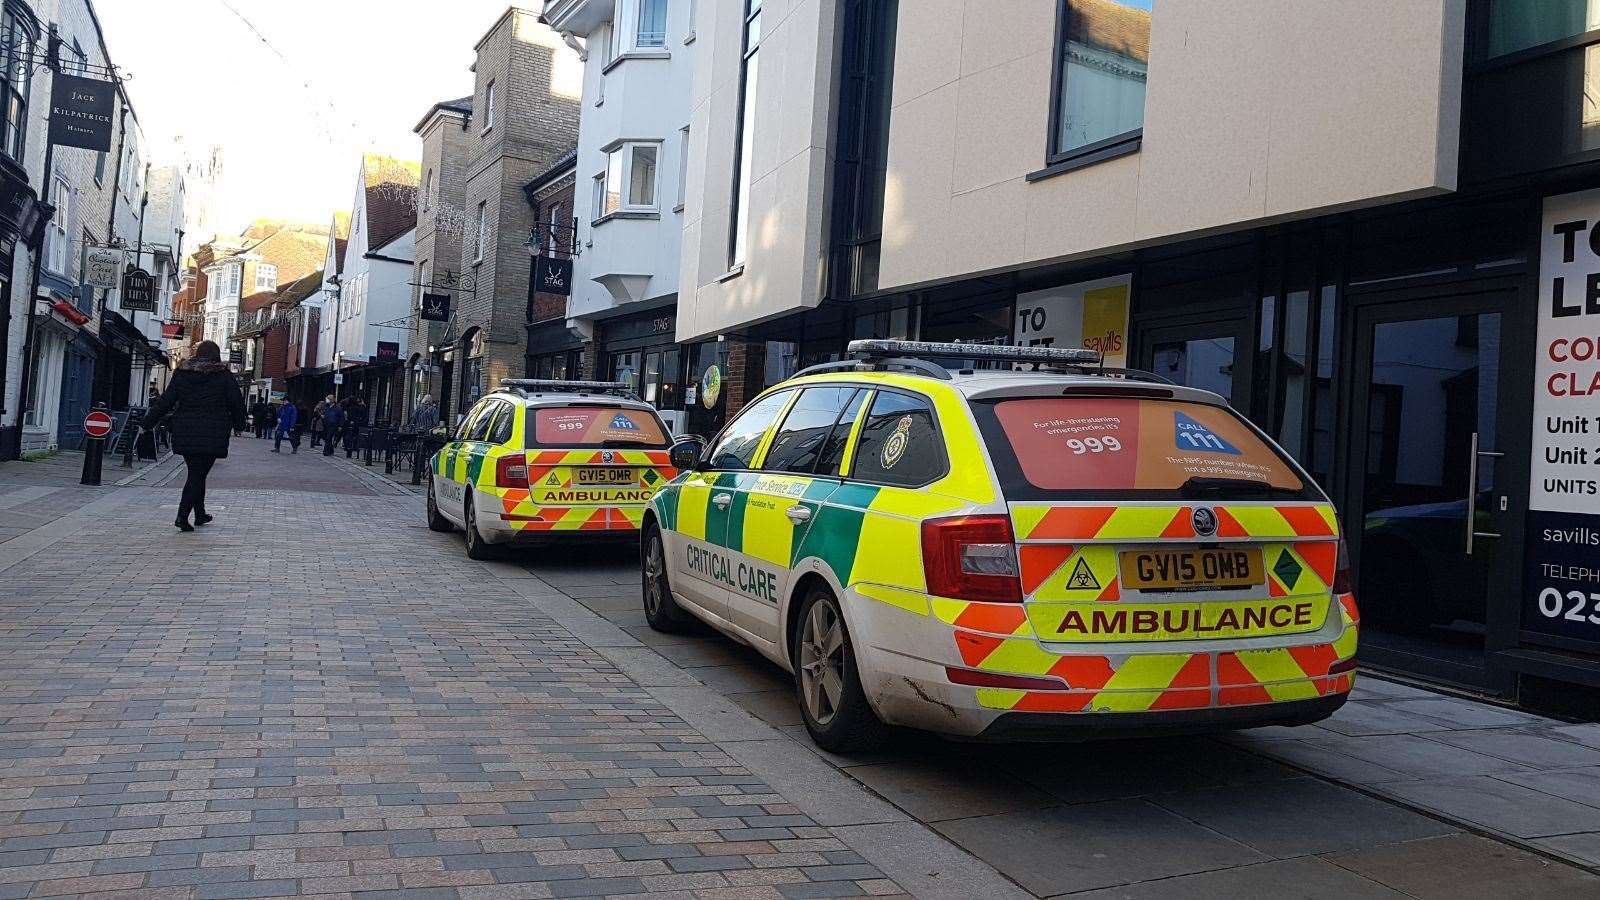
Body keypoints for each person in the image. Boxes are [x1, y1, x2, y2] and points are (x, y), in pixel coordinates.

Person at [142, 340, 246, 532]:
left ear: (197, 354)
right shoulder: (223, 375)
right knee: (198, 474)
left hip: (186, 429)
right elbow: (236, 402)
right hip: (213, 431)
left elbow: (166, 400)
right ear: (216, 356)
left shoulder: (182, 373)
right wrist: (240, 424)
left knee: (197, 472)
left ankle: (200, 513)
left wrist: (148, 422)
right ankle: (182, 516)